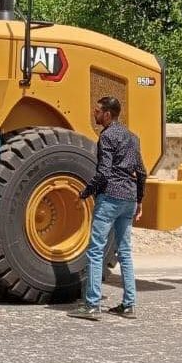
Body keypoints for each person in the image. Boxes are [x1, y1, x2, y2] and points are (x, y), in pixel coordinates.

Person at [68, 96, 147, 321]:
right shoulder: (133, 137)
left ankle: (92, 305)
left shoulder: (107, 136)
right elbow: (141, 171)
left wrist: (84, 194)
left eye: (98, 111)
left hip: (111, 196)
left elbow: (103, 173)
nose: (95, 114)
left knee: (95, 250)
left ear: (108, 115)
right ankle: (129, 304)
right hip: (129, 198)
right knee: (125, 251)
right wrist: (139, 198)